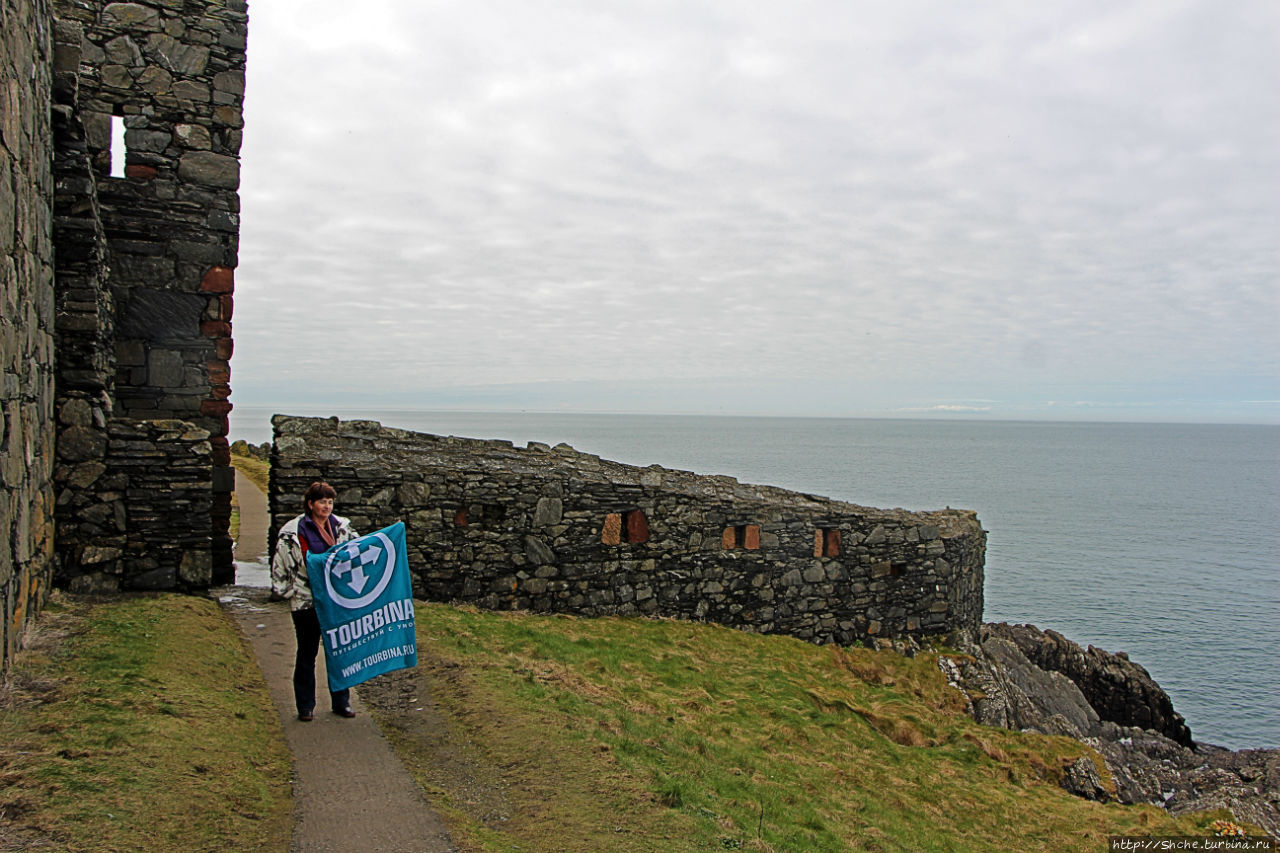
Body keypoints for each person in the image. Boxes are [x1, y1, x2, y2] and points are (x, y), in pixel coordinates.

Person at [270, 480, 359, 721]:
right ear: (310, 504)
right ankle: (306, 706)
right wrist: (286, 590)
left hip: (335, 598)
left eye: (330, 502)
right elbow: (282, 560)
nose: (327, 506)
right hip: (306, 598)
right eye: (322, 502)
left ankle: (342, 702)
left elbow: (357, 550)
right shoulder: (294, 530)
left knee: (339, 651)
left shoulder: (341, 527)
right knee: (307, 652)